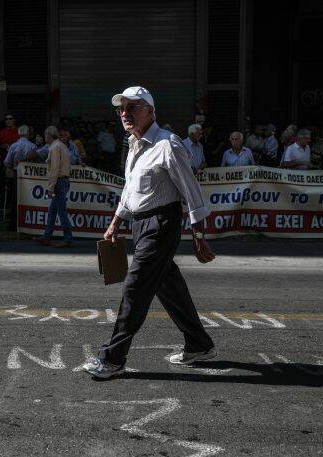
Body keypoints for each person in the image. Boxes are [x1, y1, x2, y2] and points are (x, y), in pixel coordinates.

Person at [83, 86, 215, 379]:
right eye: (122, 109)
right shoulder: (133, 144)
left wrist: (199, 235)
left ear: (150, 112)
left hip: (161, 224)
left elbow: (191, 191)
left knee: (135, 287)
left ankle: (113, 358)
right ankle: (199, 344)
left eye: (133, 108)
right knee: (168, 286)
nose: (125, 114)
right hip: (140, 224)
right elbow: (130, 189)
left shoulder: (168, 144)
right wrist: (116, 222)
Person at [35, 126, 73, 248]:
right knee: (53, 211)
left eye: (45, 135)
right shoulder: (61, 146)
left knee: (61, 211)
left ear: (49, 135)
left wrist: (51, 187)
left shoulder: (56, 147)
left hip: (59, 182)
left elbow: (54, 168)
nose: (44, 137)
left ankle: (67, 238)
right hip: (62, 181)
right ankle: (47, 236)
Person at [4, 125, 37, 229]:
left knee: (15, 199)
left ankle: (12, 225)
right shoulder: (32, 146)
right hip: (29, 175)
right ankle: (26, 223)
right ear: (28, 134)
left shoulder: (13, 146)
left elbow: (7, 161)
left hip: (16, 174)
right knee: (28, 198)